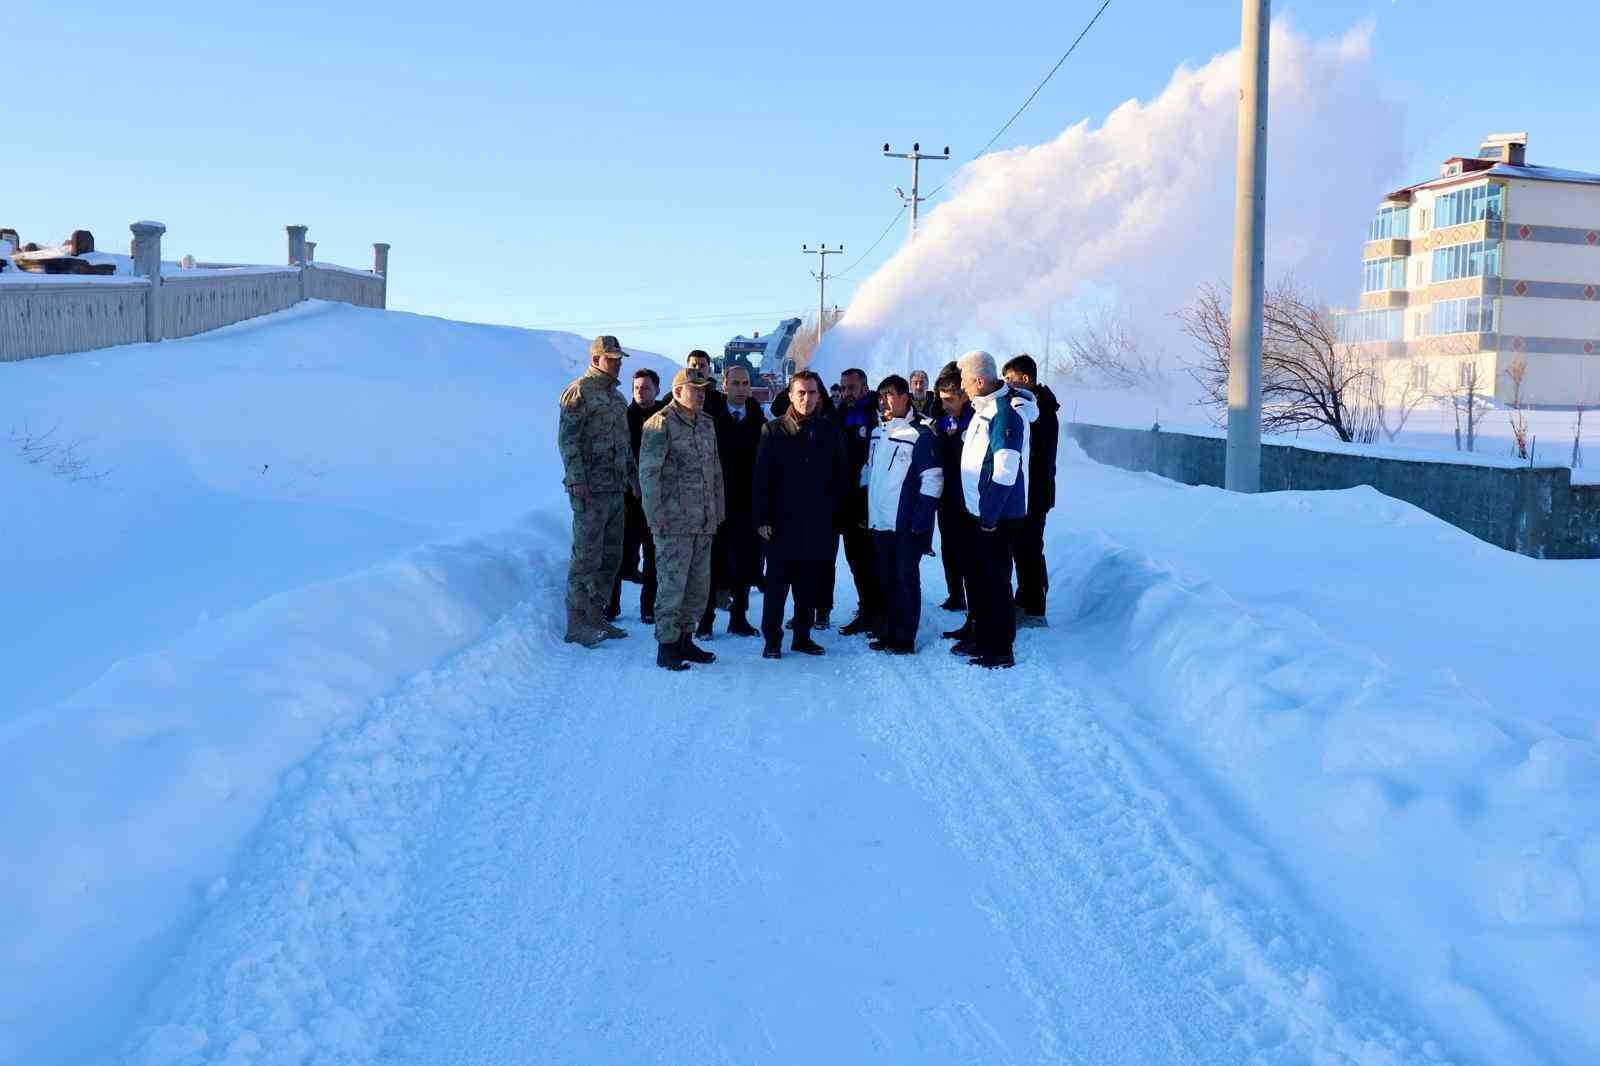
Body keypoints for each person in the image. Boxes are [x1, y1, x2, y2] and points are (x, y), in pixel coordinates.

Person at [753, 371, 848, 659]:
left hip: (817, 523)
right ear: (791, 396)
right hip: (781, 524)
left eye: (812, 393)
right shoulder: (772, 430)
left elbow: (841, 476)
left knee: (809, 584)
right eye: (801, 393)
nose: (807, 398)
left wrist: (836, 516)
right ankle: (772, 640)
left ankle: (803, 637)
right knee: (777, 586)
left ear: (820, 396)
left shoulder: (830, 430)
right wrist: (762, 518)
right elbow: (761, 478)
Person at [638, 367, 726, 671]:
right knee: (672, 585)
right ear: (678, 392)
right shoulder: (659, 424)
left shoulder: (705, 424)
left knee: (698, 586)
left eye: (704, 390)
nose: (701, 395)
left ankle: (687, 640)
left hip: (703, 521)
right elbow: (648, 474)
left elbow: (715, 471)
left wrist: (718, 511)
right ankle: (667, 646)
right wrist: (656, 516)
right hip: (673, 523)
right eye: (695, 389)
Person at [558, 335, 635, 647]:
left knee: (611, 555)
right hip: (589, 488)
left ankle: (596, 613)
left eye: (619, 359)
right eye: (611, 358)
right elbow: (568, 441)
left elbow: (624, 443)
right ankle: (576, 621)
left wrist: (633, 476)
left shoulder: (617, 399)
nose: (617, 363)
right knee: (586, 556)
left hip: (615, 487)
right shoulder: (579, 393)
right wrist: (577, 479)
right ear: (595, 360)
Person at [956, 350, 1031, 669]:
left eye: (964, 380)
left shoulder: (1004, 413)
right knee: (979, 579)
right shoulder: (982, 409)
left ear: (979, 380)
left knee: (996, 582)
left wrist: (989, 516)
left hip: (998, 517)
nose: (961, 386)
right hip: (980, 514)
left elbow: (1006, 469)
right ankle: (983, 636)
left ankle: (1000, 648)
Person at [863, 375, 943, 654]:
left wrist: (920, 521)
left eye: (891, 395)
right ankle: (888, 631)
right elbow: (870, 473)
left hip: (904, 525)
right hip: (879, 521)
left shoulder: (919, 434)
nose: (884, 400)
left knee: (904, 579)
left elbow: (933, 480)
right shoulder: (877, 431)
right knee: (885, 579)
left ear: (905, 397)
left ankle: (904, 637)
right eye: (881, 395)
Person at [703, 364, 766, 636]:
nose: (741, 389)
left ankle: (738, 618)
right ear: (724, 386)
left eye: (745, 384)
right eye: (736, 384)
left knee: (744, 562)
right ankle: (704, 621)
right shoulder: (711, 421)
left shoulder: (758, 421)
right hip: (718, 502)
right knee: (713, 563)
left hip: (747, 504)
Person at [1002, 354, 1061, 626]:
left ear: (1025, 379)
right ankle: (1025, 597)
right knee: (1023, 548)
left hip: (1035, 491)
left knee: (1029, 549)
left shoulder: (1042, 411)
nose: (1007, 385)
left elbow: (1037, 455)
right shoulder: (1035, 405)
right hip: (1030, 490)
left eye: (1010, 379)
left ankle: (1035, 609)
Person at [608, 367, 668, 623]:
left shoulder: (664, 418)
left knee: (654, 555)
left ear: (657, 389)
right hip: (627, 497)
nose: (640, 392)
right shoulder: (623, 417)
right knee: (620, 552)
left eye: (645, 388)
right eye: (636, 388)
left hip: (655, 497)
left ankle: (648, 607)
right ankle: (611, 605)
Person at [834, 367, 880, 636]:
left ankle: (878, 611)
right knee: (855, 559)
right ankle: (866, 608)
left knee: (871, 559)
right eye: (843, 388)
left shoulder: (876, 413)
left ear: (864, 388)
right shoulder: (840, 414)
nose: (846, 393)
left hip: (870, 500)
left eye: (851, 388)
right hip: (847, 501)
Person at [933, 363, 976, 629]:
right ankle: (955, 594)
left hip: (968, 498)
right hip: (946, 495)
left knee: (968, 550)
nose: (945, 405)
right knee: (949, 546)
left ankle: (973, 602)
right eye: (941, 400)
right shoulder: (945, 420)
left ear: (964, 395)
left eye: (949, 400)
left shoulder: (975, 420)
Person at [686, 349, 730, 421]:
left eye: (702, 366)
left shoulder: (722, 401)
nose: (697, 368)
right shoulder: (675, 397)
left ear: (709, 370)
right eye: (694, 365)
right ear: (687, 370)